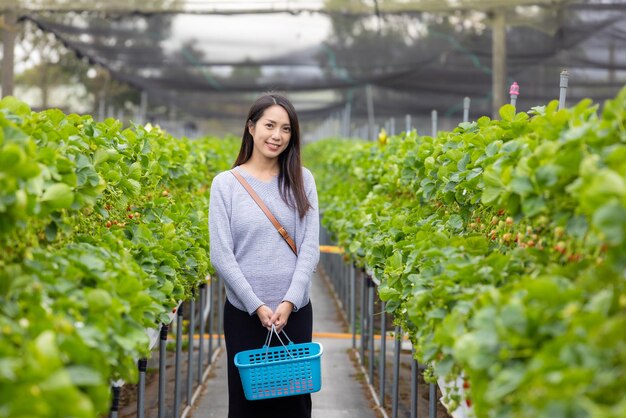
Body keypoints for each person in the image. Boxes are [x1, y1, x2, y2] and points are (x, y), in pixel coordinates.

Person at [208, 93, 320, 418]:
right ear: (251, 127)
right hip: (244, 314)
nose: (277, 136)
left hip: (294, 313)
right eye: (270, 125)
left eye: (286, 129)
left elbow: (309, 249)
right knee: (246, 406)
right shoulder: (225, 185)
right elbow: (221, 254)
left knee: (294, 404)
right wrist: (255, 304)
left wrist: (289, 302)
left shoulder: (302, 179)